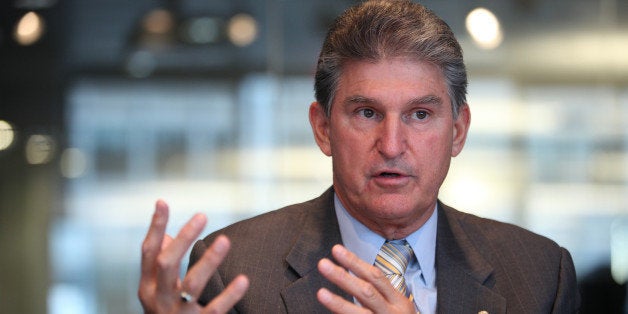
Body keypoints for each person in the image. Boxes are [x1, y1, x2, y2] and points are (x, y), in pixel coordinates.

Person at [138, 0, 581, 313]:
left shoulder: (540, 275)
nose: (391, 144)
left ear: (458, 131)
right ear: (323, 128)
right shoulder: (235, 272)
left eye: (420, 114)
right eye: (367, 113)